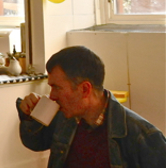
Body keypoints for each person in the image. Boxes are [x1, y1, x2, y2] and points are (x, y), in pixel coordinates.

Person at [17, 46, 166, 167]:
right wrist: (29, 115)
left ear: (85, 89)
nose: (52, 96)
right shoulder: (65, 117)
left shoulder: (142, 136)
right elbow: (35, 143)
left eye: (57, 88)